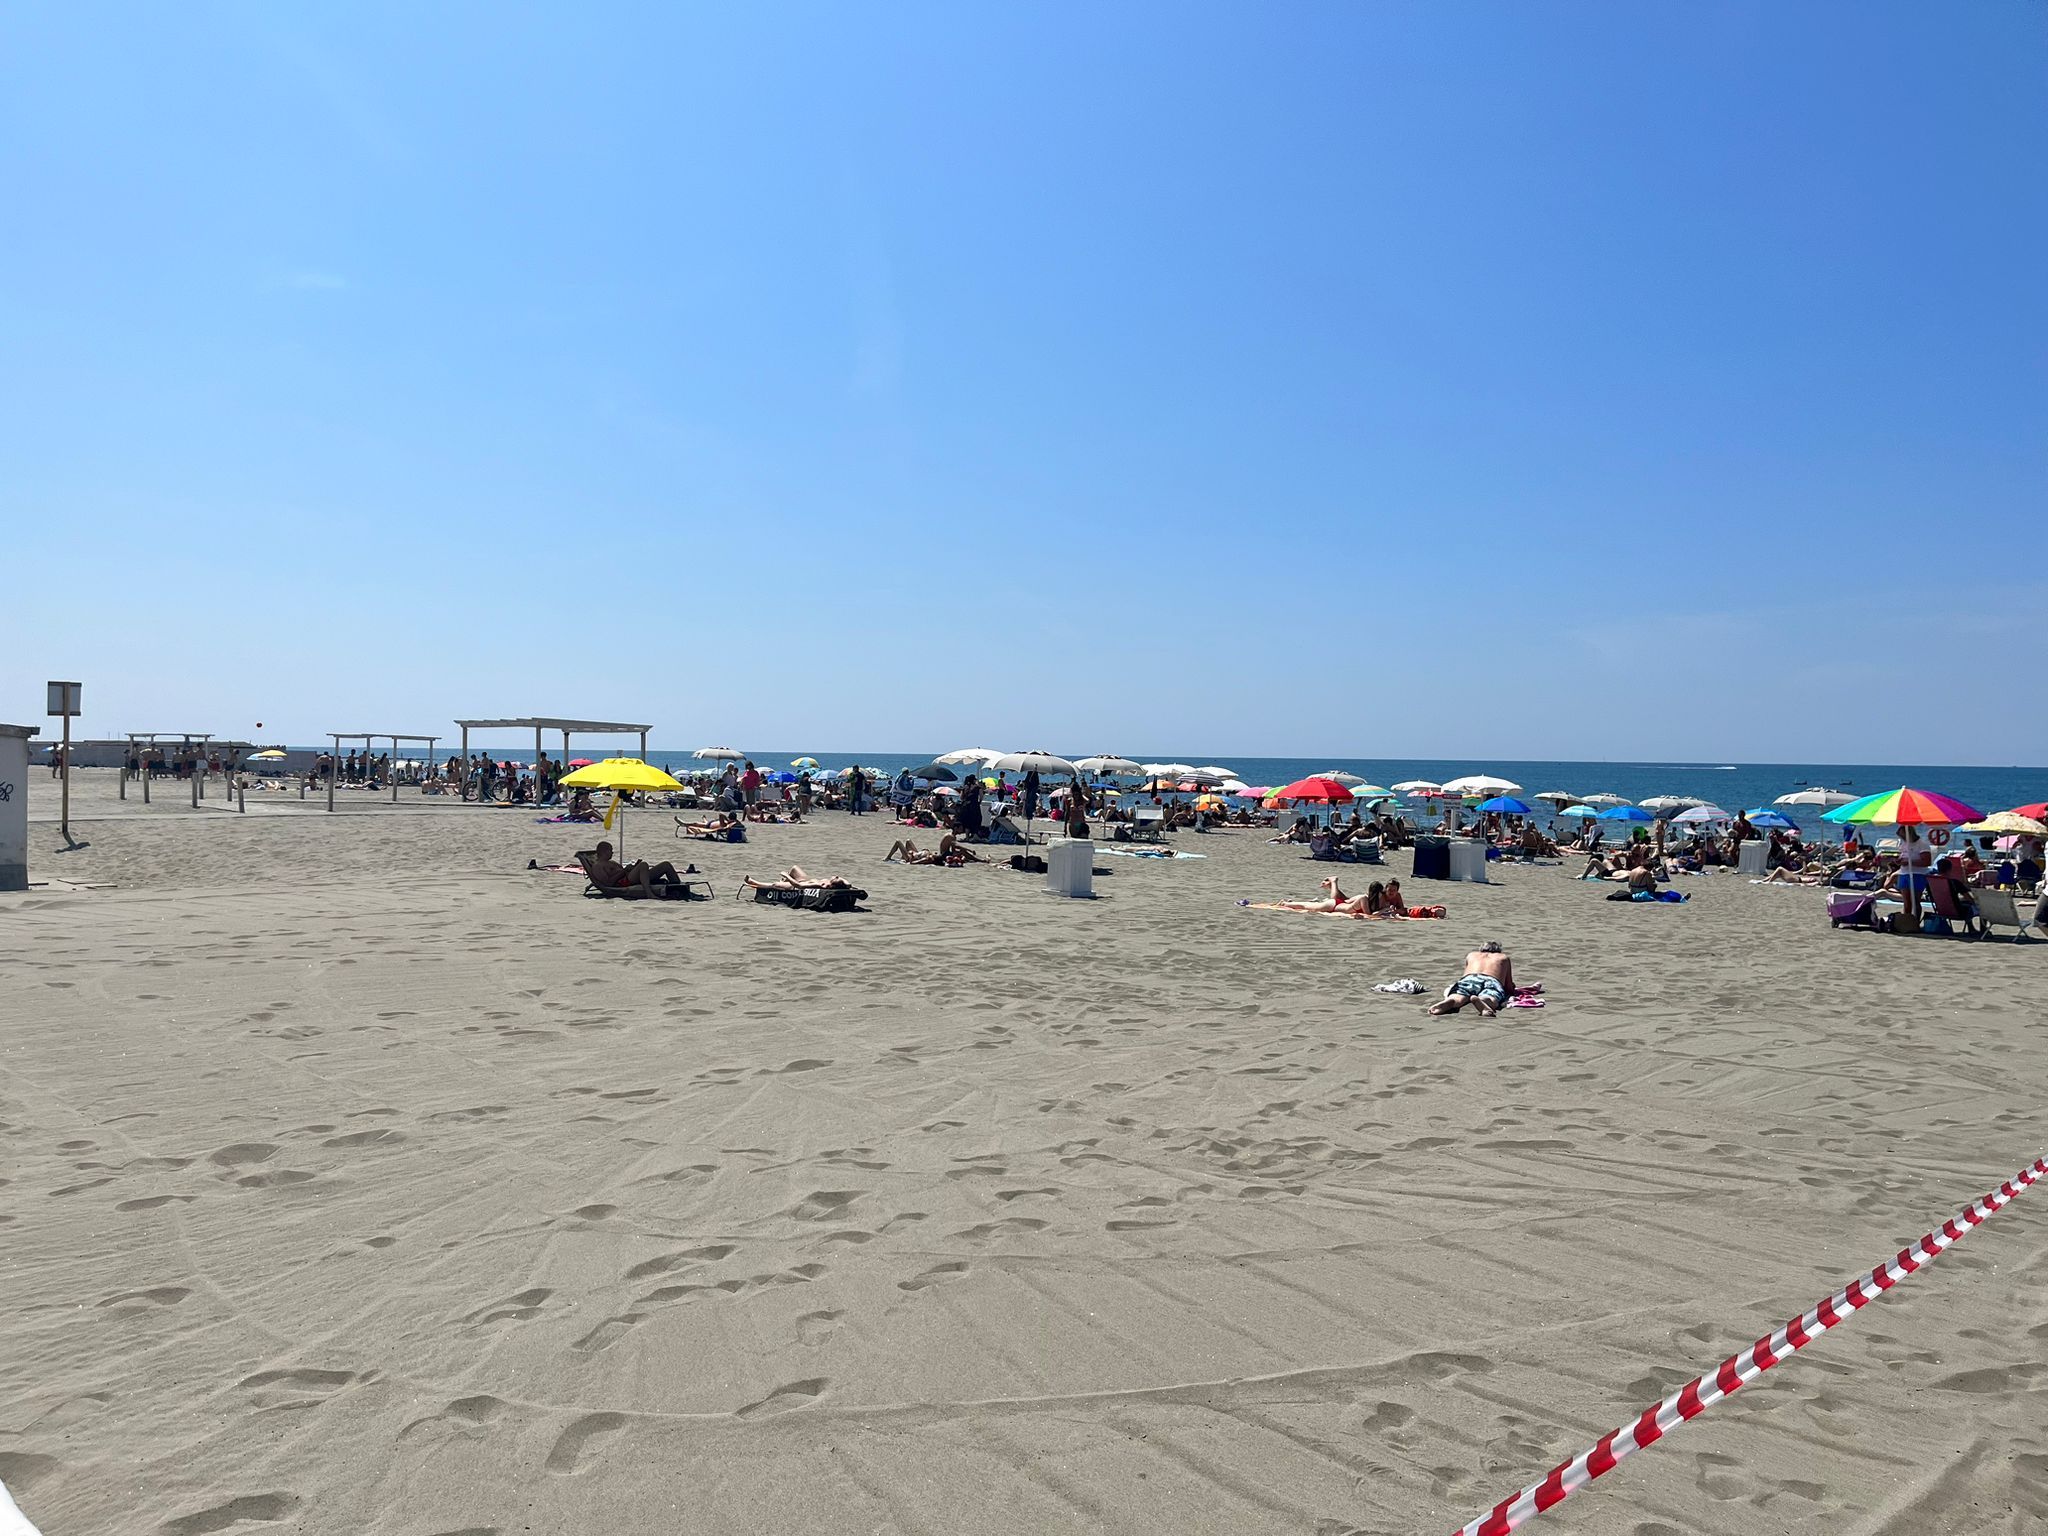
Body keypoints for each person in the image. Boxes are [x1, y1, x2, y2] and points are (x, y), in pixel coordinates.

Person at [1429, 942, 1515, 1016]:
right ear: (1498, 951)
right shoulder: (1503, 957)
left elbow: (1464, 975)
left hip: (1470, 978)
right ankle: (1484, 1001)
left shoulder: (1471, 955)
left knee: (1460, 994)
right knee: (1491, 996)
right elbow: (1508, 986)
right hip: (1491, 980)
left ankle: (1452, 1000)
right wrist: (1512, 989)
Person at [582, 841, 686, 895]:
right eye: (611, 850)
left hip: (630, 877)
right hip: (624, 882)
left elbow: (622, 872)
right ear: (604, 851)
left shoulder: (610, 862)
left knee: (666, 865)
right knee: (643, 865)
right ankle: (648, 892)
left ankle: (679, 887)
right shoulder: (598, 866)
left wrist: (632, 868)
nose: (612, 852)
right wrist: (624, 871)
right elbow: (609, 883)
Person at [885, 832, 983, 865]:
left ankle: (888, 857)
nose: (936, 853)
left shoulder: (930, 858)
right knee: (908, 840)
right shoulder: (932, 856)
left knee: (898, 841)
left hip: (910, 857)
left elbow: (914, 862)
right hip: (914, 853)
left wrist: (911, 860)